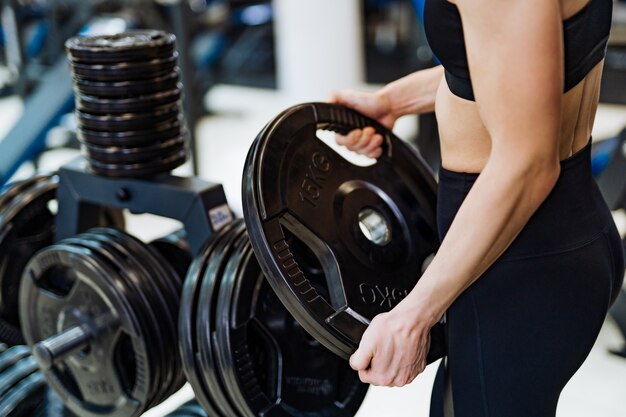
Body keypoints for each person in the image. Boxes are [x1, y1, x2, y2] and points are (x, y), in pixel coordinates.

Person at [330, 0, 624, 415]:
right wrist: (394, 101)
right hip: (562, 234)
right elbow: (515, 60)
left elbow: (528, 166)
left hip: (516, 267)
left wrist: (413, 314)